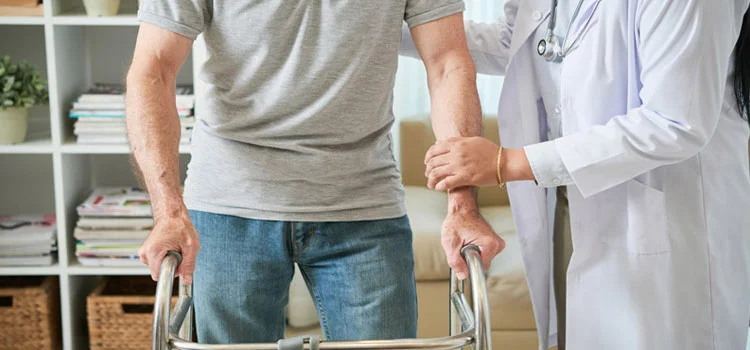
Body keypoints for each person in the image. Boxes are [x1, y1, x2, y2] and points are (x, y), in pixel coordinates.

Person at [126, 0, 505, 345]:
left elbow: (448, 64)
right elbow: (153, 70)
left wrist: (463, 207)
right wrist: (168, 212)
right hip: (230, 206)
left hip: (364, 208)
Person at [400, 1, 750, 349]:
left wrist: (508, 163)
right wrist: (399, 27)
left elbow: (675, 122)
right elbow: (516, 42)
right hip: (574, 203)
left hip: (668, 219)